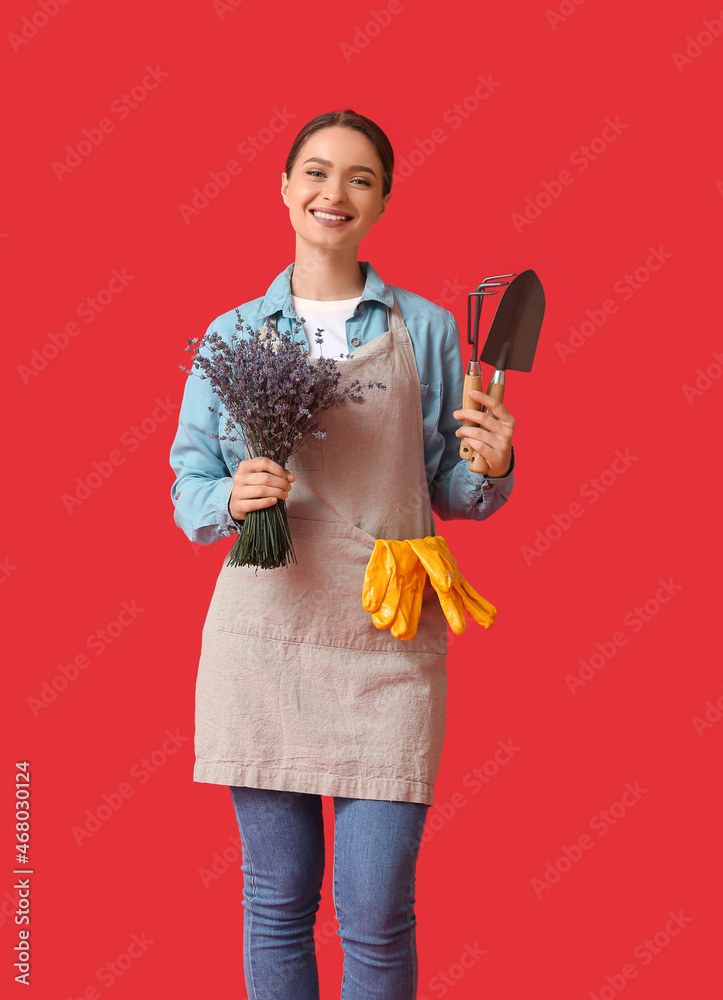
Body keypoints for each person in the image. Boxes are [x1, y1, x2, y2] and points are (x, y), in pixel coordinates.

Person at [169, 109, 516, 1000]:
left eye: (360, 178)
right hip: (263, 641)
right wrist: (230, 498)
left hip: (386, 638)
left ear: (384, 200)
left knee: (376, 912)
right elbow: (188, 488)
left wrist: (490, 466)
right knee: (277, 902)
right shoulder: (232, 333)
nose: (335, 193)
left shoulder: (427, 329)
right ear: (285, 188)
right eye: (317, 172)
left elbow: (449, 488)